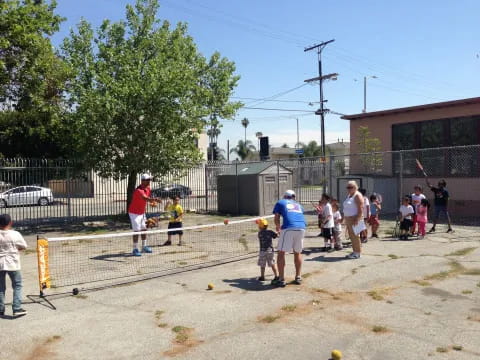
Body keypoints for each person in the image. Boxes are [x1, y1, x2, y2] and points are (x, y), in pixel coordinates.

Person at [272, 190, 306, 287]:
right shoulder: (298, 205)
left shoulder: (280, 202)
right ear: (293, 197)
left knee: (281, 252)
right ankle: (298, 276)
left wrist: (278, 227)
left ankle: (281, 279)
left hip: (288, 228)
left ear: (285, 196)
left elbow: (277, 217)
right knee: (297, 252)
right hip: (302, 228)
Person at [0, 214, 28, 317]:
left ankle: (0, 309)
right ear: (10, 222)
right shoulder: (15, 234)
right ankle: (16, 308)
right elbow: (24, 246)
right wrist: (16, 249)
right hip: (13, 263)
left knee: (0, 287)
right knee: (17, 285)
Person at [128, 174, 161, 256]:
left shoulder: (148, 188)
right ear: (143, 181)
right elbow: (145, 198)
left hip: (142, 212)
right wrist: (154, 200)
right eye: (148, 180)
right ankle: (135, 249)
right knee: (136, 231)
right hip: (134, 213)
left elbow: (148, 199)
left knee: (144, 229)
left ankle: (144, 246)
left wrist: (153, 203)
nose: (149, 181)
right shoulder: (138, 190)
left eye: (150, 180)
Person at [342, 181, 364, 259]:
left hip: (355, 218)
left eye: (350, 187)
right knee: (352, 236)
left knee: (355, 236)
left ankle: (357, 253)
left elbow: (360, 208)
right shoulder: (349, 195)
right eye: (347, 187)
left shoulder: (357, 195)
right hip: (349, 219)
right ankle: (355, 251)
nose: (348, 189)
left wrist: (357, 219)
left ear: (355, 187)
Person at [256, 218, 279, 282]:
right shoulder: (270, 231)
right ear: (267, 225)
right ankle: (276, 276)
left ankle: (262, 277)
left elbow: (262, 230)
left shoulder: (259, 233)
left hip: (262, 251)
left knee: (262, 264)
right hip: (270, 250)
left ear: (260, 227)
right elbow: (276, 236)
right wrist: (278, 232)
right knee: (272, 264)